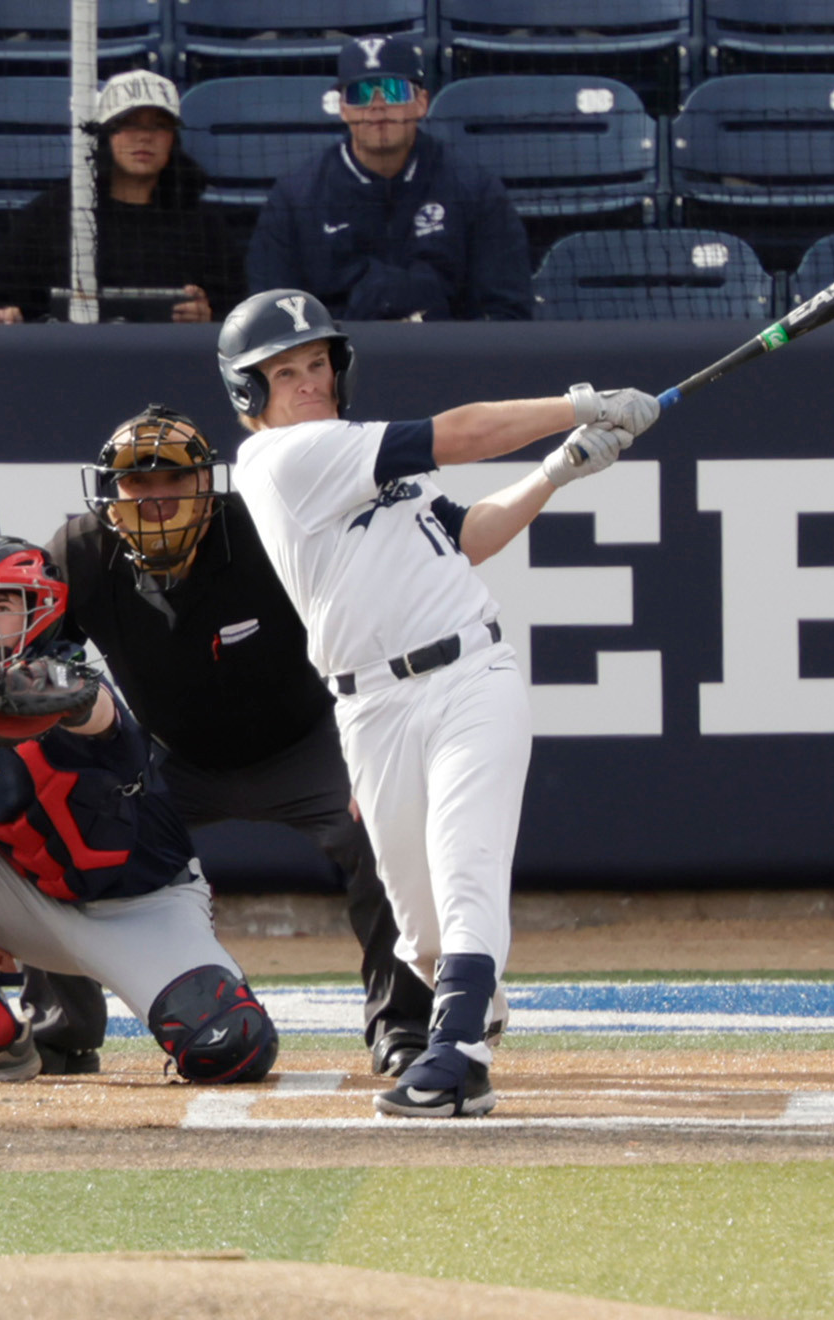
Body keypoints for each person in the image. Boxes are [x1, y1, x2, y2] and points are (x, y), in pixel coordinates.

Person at [216, 287, 657, 1117]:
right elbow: (459, 435)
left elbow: (470, 535)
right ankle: (474, 1014)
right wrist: (577, 404)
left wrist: (556, 470)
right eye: (285, 372)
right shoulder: (284, 461)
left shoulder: (353, 453)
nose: (309, 381)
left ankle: (455, 1055)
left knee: (466, 868)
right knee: (419, 931)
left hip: (471, 676)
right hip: (371, 707)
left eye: (317, 363)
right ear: (250, 393)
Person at [0, 405, 434, 1080]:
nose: (156, 498)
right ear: (110, 495)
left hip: (305, 740)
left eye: (174, 479)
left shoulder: (265, 528)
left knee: (384, 834)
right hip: (167, 759)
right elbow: (33, 682)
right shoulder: (80, 551)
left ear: (208, 483)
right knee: (54, 829)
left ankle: (402, 1028)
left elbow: (362, 631)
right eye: (137, 485)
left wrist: (370, 752)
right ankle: (60, 1033)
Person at [0, 535, 279, 1088]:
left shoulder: (75, 685)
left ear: (40, 610)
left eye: (0, 606)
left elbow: (94, 713)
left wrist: (65, 693)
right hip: (36, 902)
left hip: (144, 908)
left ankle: (102, 1015)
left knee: (232, 1051)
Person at [246, 36, 532, 323]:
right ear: (343, 108)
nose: (377, 106)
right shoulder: (296, 197)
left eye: (393, 91)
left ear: (421, 103)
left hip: (446, 354)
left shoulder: (474, 189)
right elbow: (274, 316)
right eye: (361, 93)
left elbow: (507, 310)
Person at [0, 70, 242, 325]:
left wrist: (208, 318)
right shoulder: (52, 214)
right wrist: (1, 316)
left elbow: (239, 316)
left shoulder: (204, 224)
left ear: (173, 139)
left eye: (159, 126)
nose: (144, 137)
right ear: (104, 136)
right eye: (127, 124)